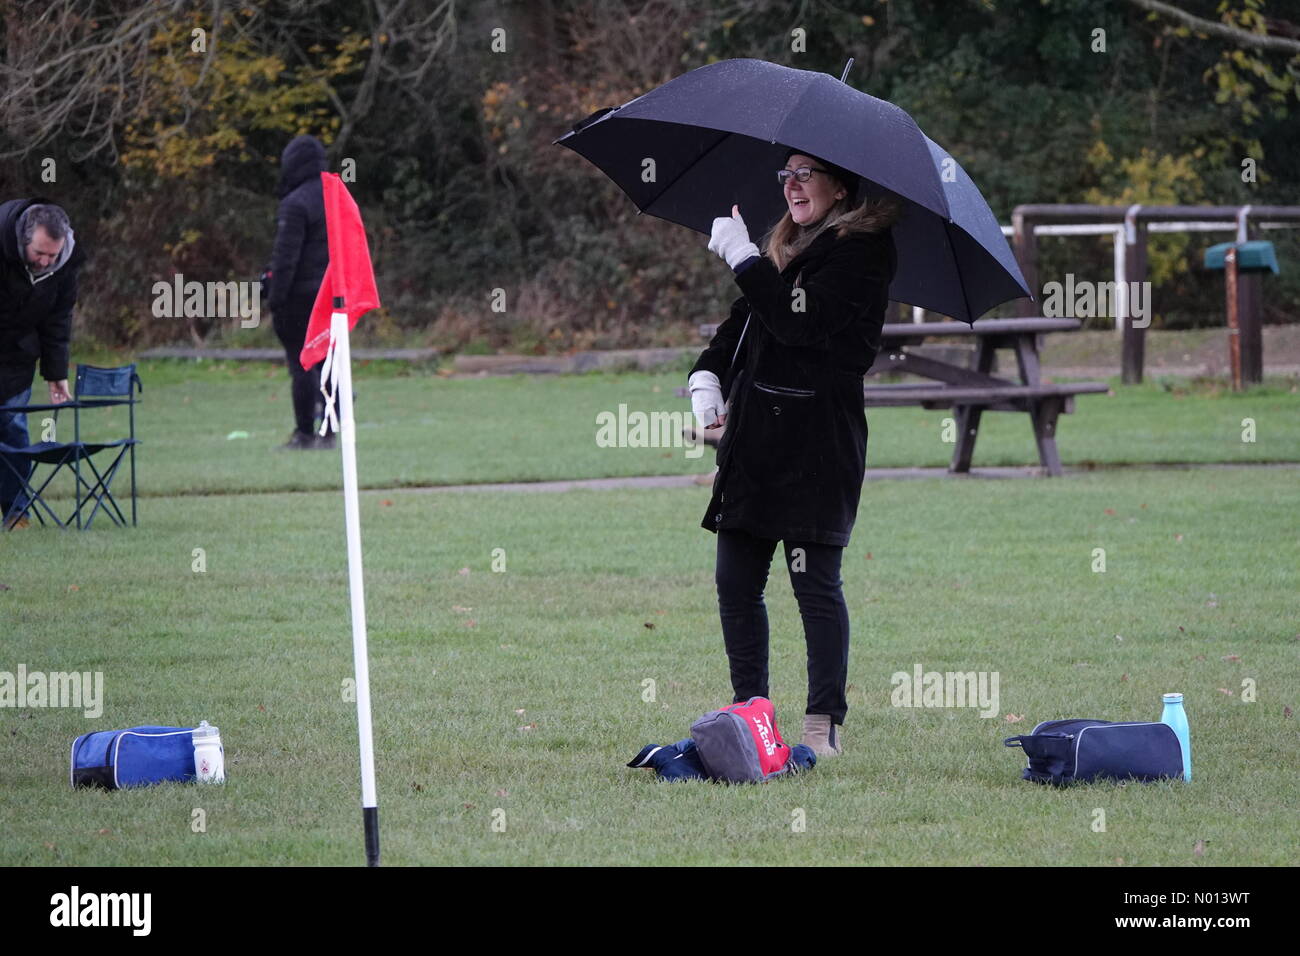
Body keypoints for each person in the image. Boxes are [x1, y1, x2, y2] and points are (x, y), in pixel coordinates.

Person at [688, 150, 901, 757]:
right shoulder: (782, 247)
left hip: (817, 444)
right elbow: (746, 321)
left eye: (807, 172)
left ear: (839, 185)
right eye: (787, 174)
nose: (793, 184)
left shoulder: (863, 251)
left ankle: (821, 724)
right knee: (736, 582)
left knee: (814, 586)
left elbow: (796, 322)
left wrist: (742, 257)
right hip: (754, 444)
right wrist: (706, 375)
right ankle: (750, 714)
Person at [0, 199, 84, 529]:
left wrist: (56, 374)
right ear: (23, 239)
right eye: (39, 254)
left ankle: (16, 511)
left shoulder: (64, 264)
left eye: (52, 255)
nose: (46, 261)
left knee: (13, 430)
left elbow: (57, 321)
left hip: (18, 359)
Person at [267, 134, 332, 450]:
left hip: (301, 298)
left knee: (302, 365)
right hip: (334, 295)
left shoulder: (295, 204)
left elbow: (285, 259)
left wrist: (275, 298)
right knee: (329, 362)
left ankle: (305, 433)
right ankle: (331, 428)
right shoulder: (337, 197)